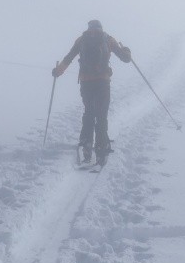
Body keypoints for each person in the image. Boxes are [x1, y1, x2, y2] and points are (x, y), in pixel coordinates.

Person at [53, 19, 132, 162]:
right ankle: (101, 148)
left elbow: (69, 57)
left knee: (89, 111)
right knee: (101, 114)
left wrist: (58, 71)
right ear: (101, 28)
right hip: (102, 81)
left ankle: (86, 144)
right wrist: (126, 50)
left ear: (89, 28)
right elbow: (125, 58)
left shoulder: (81, 40)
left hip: (86, 82)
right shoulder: (108, 39)